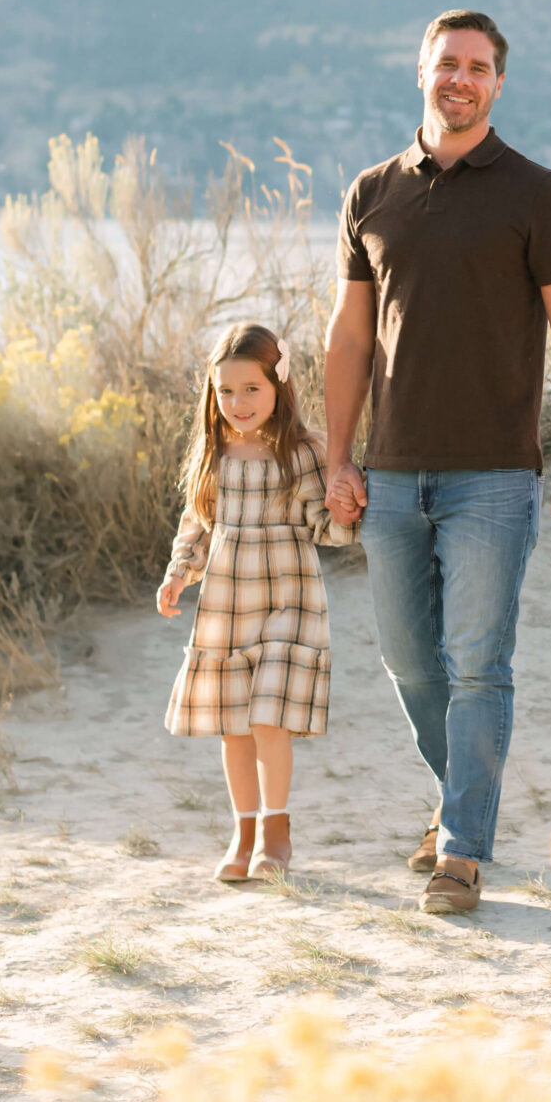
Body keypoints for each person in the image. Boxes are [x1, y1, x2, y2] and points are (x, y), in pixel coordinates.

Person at [321, 9, 551, 916]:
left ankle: (461, 853)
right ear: (420, 73)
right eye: (448, 63)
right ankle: (460, 807)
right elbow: (349, 336)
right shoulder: (372, 191)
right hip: (393, 472)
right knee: (410, 661)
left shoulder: (534, 191)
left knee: (478, 662)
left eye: (479, 68)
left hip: (494, 474)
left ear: (498, 84)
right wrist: (335, 456)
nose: (462, 79)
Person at [156, 322, 353, 884]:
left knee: (269, 718)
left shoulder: (306, 451)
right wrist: (177, 576)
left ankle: (276, 832)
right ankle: (242, 832)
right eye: (226, 391)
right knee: (234, 726)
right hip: (226, 602)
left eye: (252, 389)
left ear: (278, 386)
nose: (238, 403)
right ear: (211, 393)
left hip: (289, 600)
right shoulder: (213, 452)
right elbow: (197, 525)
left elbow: (327, 531)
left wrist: (344, 510)